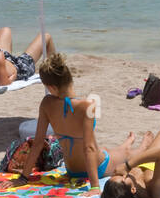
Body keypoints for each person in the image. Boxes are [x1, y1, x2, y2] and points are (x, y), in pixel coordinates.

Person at [19, 53, 137, 188]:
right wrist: (94, 186)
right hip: (96, 168)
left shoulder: (46, 103)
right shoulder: (87, 105)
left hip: (72, 171)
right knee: (127, 154)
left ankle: (127, 143)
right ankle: (137, 144)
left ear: (51, 87)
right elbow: (89, 147)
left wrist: (23, 177)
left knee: (107, 150)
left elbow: (38, 143)